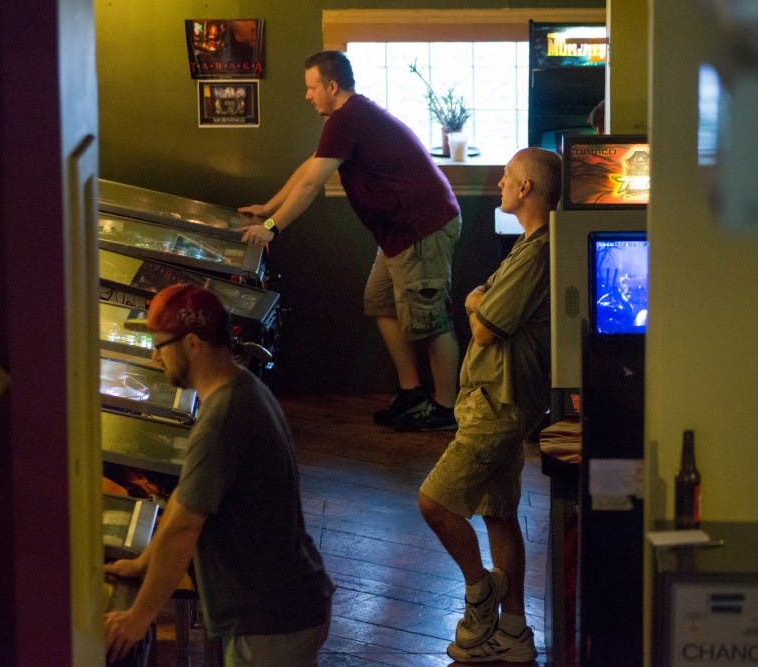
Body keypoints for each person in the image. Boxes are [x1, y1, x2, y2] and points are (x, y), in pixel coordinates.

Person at [103, 283, 334, 666]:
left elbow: (184, 528)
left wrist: (137, 619)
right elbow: (183, 500)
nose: (155, 358)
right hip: (286, 603)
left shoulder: (224, 415)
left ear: (192, 344)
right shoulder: (239, 390)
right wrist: (143, 563)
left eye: (160, 345)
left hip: (272, 620)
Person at [238, 50, 461, 432]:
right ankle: (412, 393)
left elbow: (312, 184)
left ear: (332, 86)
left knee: (432, 320)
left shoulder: (350, 117)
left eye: (311, 88)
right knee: (379, 300)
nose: (308, 96)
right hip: (397, 234)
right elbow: (310, 168)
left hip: (421, 229)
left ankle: (446, 409)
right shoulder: (347, 119)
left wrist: (272, 227)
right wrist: (268, 206)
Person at [417, 147, 561, 663]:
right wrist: (480, 299)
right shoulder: (530, 246)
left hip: (498, 404)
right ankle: (515, 632)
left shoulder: (539, 252)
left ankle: (481, 595)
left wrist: (477, 301)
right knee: (499, 515)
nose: (499, 183)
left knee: (433, 503)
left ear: (526, 189)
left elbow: (483, 326)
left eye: (506, 177)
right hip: (499, 399)